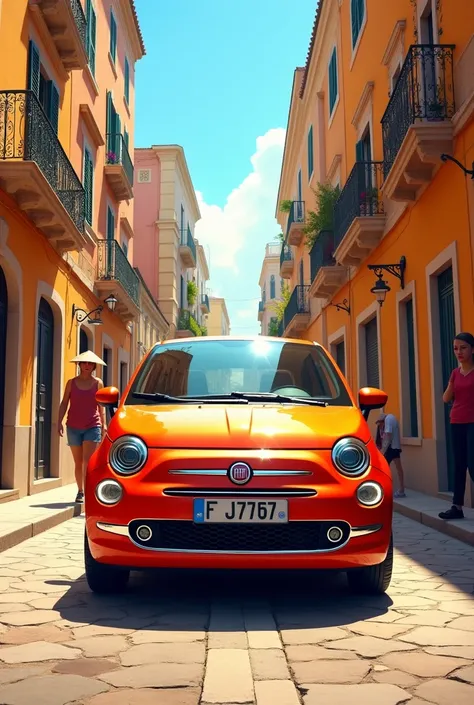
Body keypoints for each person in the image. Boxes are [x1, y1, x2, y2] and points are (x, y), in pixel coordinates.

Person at [58, 350, 107, 504]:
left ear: (94, 366)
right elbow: (64, 402)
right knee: (78, 462)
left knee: (88, 461)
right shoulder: (71, 383)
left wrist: (104, 424)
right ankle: (80, 491)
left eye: (90, 363)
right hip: (73, 426)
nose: (87, 365)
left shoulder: (97, 383)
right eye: (84, 363)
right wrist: (58, 421)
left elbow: (101, 405)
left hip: (92, 426)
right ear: (79, 364)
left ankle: (89, 491)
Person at [439, 331, 474, 520]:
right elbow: (445, 398)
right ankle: (457, 507)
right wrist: (453, 381)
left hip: (473, 422)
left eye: (463, 348)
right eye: (455, 348)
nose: (458, 352)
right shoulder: (455, 373)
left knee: (473, 464)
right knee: (459, 464)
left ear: (472, 349)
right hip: (457, 421)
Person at [376, 411, 406, 498]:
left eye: (380, 425)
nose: (380, 427)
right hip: (395, 447)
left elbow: (388, 435)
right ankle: (401, 489)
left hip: (390, 448)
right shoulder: (391, 418)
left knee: (384, 470)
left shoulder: (388, 419)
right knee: (398, 468)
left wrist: (383, 451)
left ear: (382, 421)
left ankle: (386, 489)